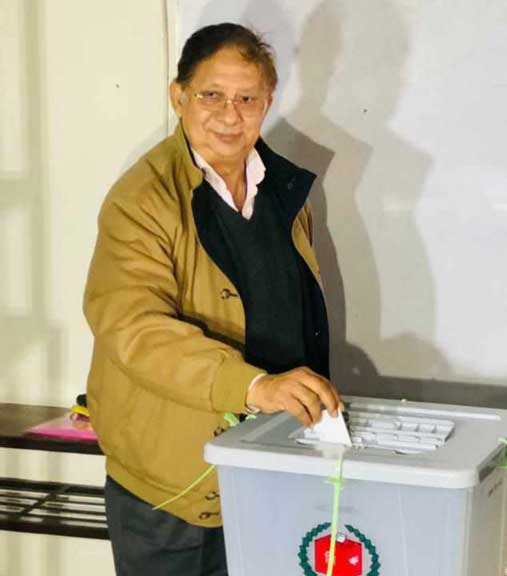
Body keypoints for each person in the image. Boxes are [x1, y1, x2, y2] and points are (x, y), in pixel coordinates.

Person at [84, 23, 341, 574]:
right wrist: (254, 386)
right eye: (211, 96)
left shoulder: (285, 190)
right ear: (178, 96)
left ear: (267, 103)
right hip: (174, 487)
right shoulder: (142, 199)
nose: (231, 115)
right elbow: (133, 328)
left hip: (269, 466)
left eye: (247, 98)